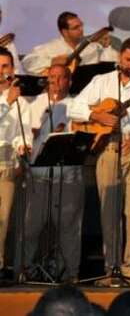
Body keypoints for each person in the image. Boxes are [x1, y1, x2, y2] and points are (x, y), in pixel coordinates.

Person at [68, 38, 130, 284]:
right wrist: (95, 115)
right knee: (108, 211)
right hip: (107, 148)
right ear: (120, 57)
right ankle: (111, 269)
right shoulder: (102, 81)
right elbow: (73, 107)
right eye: (128, 59)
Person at [24, 64, 83, 282]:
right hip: (39, 177)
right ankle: (27, 270)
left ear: (69, 81)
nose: (55, 82)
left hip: (67, 178)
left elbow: (81, 137)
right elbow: (26, 136)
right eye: (51, 77)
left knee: (68, 228)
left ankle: (68, 273)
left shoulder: (77, 105)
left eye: (61, 77)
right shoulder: (35, 104)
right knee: (31, 228)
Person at [0, 46, 32, 273]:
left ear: (12, 69)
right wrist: (6, 103)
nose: (2, 71)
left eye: (5, 66)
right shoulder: (12, 101)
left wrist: (23, 144)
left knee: (2, 220)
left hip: (6, 164)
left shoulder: (22, 103)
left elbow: (24, 131)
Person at [22, 11, 101, 75]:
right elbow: (27, 62)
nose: (81, 29)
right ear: (64, 32)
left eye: (81, 25)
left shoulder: (93, 47)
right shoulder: (50, 48)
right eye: (76, 28)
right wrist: (52, 62)